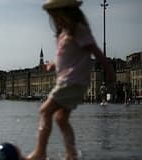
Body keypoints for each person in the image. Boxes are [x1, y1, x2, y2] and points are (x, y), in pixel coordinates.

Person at [24, 0, 115, 160]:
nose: (56, 20)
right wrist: (53, 64)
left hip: (71, 83)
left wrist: (109, 71)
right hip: (70, 82)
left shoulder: (78, 30)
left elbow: (96, 51)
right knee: (60, 118)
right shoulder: (65, 33)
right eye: (54, 17)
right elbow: (68, 58)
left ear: (68, 13)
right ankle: (71, 154)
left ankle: (40, 153)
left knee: (45, 111)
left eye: (58, 15)